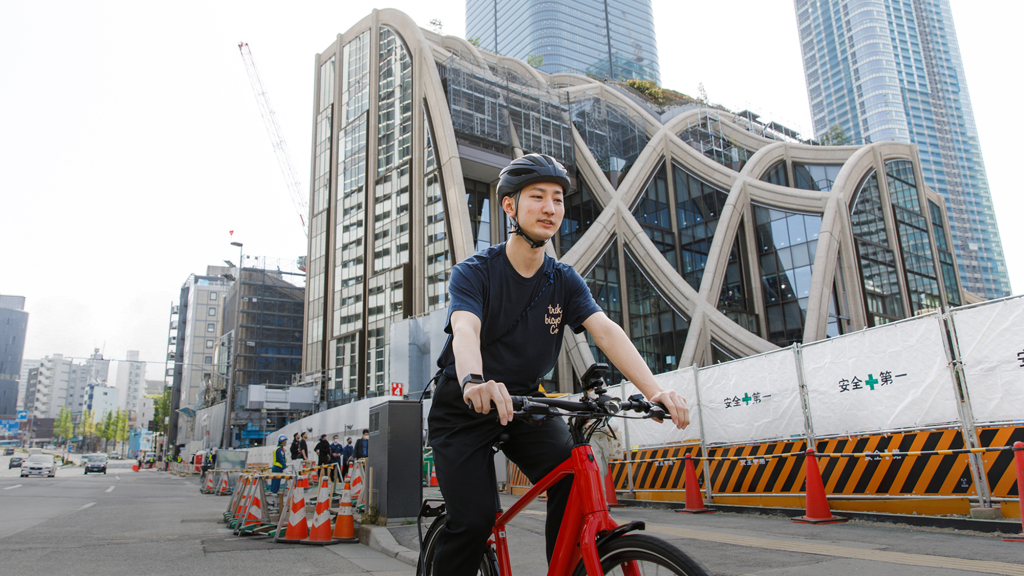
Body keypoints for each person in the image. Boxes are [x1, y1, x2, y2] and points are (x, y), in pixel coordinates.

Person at [426, 154, 689, 576]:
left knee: (573, 480)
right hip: (466, 406)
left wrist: (653, 389)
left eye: (558, 199)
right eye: (537, 197)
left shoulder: (563, 279)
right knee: (473, 521)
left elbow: (605, 331)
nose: (550, 208)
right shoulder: (475, 272)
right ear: (510, 206)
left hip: (527, 403)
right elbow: (466, 328)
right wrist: (474, 380)